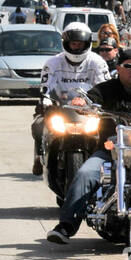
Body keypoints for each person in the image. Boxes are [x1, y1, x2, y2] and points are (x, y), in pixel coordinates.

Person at [46, 48, 131, 245]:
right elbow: (93, 97)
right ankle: (66, 226)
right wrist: (83, 101)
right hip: (110, 149)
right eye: (128, 66)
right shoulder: (107, 88)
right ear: (118, 68)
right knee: (85, 174)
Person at [32, 25, 110, 174]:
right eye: (73, 44)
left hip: (89, 109)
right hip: (61, 107)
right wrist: (46, 100)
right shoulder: (52, 63)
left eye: (80, 44)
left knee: (109, 129)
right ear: (66, 43)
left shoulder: (98, 62)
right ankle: (38, 156)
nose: (76, 47)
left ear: (87, 44)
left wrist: (101, 103)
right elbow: (46, 86)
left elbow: (104, 87)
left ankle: (108, 162)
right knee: (38, 125)